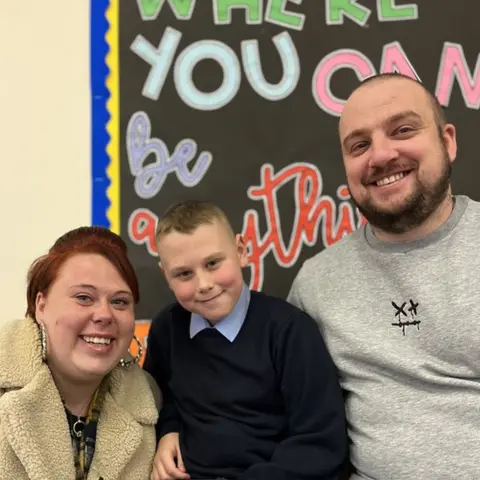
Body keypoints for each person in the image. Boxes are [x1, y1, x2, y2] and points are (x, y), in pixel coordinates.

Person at [288, 73, 480, 479]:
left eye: (403, 130)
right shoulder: (316, 285)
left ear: (447, 141)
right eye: (359, 145)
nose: (380, 155)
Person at [143, 200, 348, 480]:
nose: (203, 284)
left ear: (241, 251)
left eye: (213, 263)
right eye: (184, 274)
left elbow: (320, 442)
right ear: (165, 275)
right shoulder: (167, 328)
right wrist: (169, 430)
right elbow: (159, 399)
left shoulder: (290, 331)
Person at [0, 226, 160, 479]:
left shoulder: (153, 403)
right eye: (84, 297)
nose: (105, 315)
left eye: (119, 301)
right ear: (41, 304)